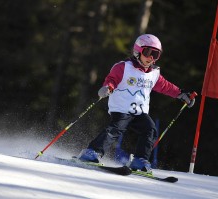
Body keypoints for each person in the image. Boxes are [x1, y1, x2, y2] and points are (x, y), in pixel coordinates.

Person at [77, 34, 196, 172]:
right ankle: (92, 152)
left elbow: (166, 86)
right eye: (148, 52)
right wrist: (108, 87)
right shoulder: (123, 67)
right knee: (116, 129)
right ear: (137, 51)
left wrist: (181, 94)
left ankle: (140, 160)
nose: (151, 57)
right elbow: (112, 79)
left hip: (140, 112)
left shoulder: (154, 73)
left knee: (150, 129)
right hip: (121, 109)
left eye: (155, 54)